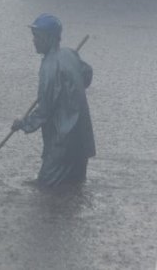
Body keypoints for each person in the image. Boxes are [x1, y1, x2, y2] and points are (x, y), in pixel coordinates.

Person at [11, 14, 95, 187]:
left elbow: (44, 111)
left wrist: (23, 123)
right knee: (74, 188)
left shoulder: (49, 67)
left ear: (49, 38)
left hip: (62, 142)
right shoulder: (69, 54)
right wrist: (71, 87)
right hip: (81, 140)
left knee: (46, 188)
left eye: (37, 36)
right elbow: (87, 74)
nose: (33, 41)